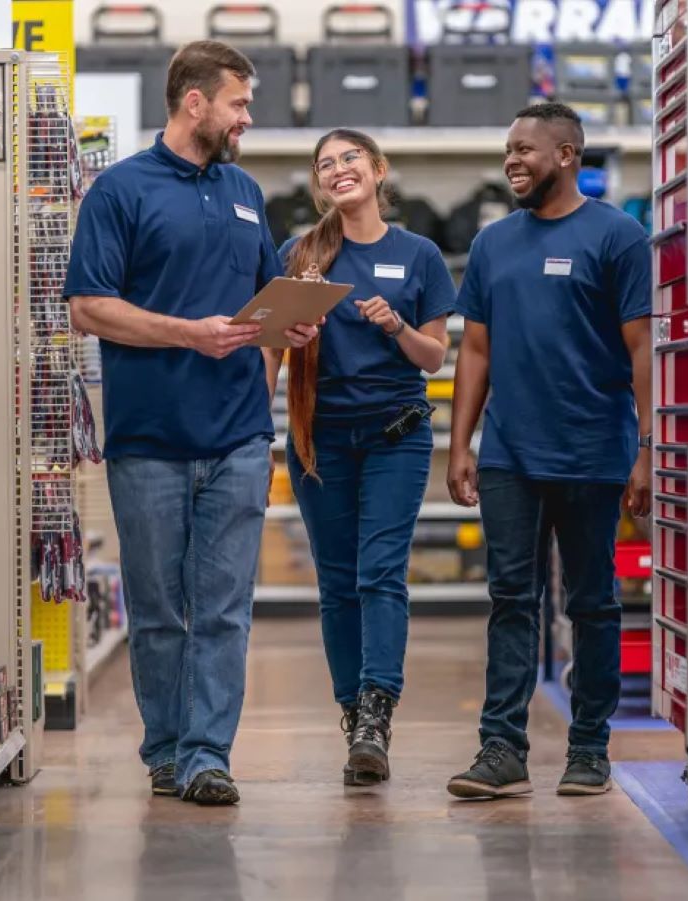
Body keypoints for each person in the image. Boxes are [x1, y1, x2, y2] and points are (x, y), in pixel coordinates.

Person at [64, 40, 319, 806]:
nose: (248, 117)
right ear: (195, 102)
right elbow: (87, 306)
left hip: (239, 437)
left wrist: (289, 326)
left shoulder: (246, 192)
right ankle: (167, 748)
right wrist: (189, 332)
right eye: (239, 102)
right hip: (149, 441)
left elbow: (257, 305)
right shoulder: (120, 191)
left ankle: (208, 753)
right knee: (156, 609)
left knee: (222, 607)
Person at [444, 102, 653, 800]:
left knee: (591, 600)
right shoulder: (493, 244)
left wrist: (648, 449)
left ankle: (589, 746)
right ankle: (501, 746)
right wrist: (461, 442)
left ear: (568, 155)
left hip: (594, 450)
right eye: (508, 150)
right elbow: (476, 347)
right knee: (511, 598)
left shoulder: (618, 237)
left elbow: (642, 347)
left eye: (526, 149)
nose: (513, 161)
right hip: (510, 452)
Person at [266, 129, 456, 787]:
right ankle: (352, 715)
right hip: (320, 442)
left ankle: (378, 710)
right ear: (321, 184)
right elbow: (270, 347)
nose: (339, 169)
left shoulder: (420, 254)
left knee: (380, 572)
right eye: (326, 164)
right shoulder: (303, 254)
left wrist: (395, 326)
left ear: (379, 171)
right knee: (336, 582)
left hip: (395, 436)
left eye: (351, 158)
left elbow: (436, 355)